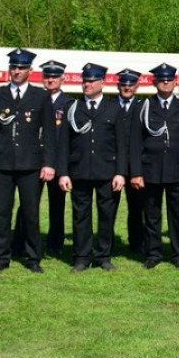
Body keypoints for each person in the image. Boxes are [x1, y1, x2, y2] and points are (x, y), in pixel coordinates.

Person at [0, 48, 56, 274]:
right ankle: (1, 257)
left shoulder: (41, 96)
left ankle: (33, 257)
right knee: (2, 212)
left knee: (30, 213)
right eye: (13, 67)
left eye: (21, 68)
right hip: (3, 163)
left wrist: (49, 163)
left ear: (30, 71)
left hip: (30, 165)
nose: (16, 71)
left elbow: (50, 133)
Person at [56, 63, 127, 272]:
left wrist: (121, 172)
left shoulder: (114, 108)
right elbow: (64, 144)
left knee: (107, 215)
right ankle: (82, 256)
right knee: (81, 216)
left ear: (102, 83)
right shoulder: (73, 107)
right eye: (85, 81)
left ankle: (103, 255)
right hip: (79, 171)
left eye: (91, 81)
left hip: (107, 172)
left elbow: (121, 144)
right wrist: (63, 173)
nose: (87, 84)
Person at [129, 63, 179, 269]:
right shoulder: (143, 107)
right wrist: (136, 172)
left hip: (178, 170)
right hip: (150, 170)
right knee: (151, 214)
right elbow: (134, 142)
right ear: (154, 82)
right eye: (161, 79)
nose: (165, 82)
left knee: (178, 215)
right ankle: (153, 253)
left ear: (175, 81)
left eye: (169, 79)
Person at [40, 60, 74, 256]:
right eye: (47, 76)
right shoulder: (36, 99)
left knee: (57, 205)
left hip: (59, 161)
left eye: (54, 77)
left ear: (63, 78)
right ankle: (22, 241)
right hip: (37, 160)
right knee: (28, 205)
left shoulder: (69, 104)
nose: (50, 80)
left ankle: (55, 244)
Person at [114, 68, 146, 254]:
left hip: (136, 167)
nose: (127, 87)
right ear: (118, 86)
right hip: (113, 167)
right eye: (124, 84)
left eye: (130, 85)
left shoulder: (143, 107)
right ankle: (106, 244)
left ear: (137, 86)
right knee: (109, 209)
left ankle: (137, 243)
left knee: (137, 208)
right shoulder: (109, 106)